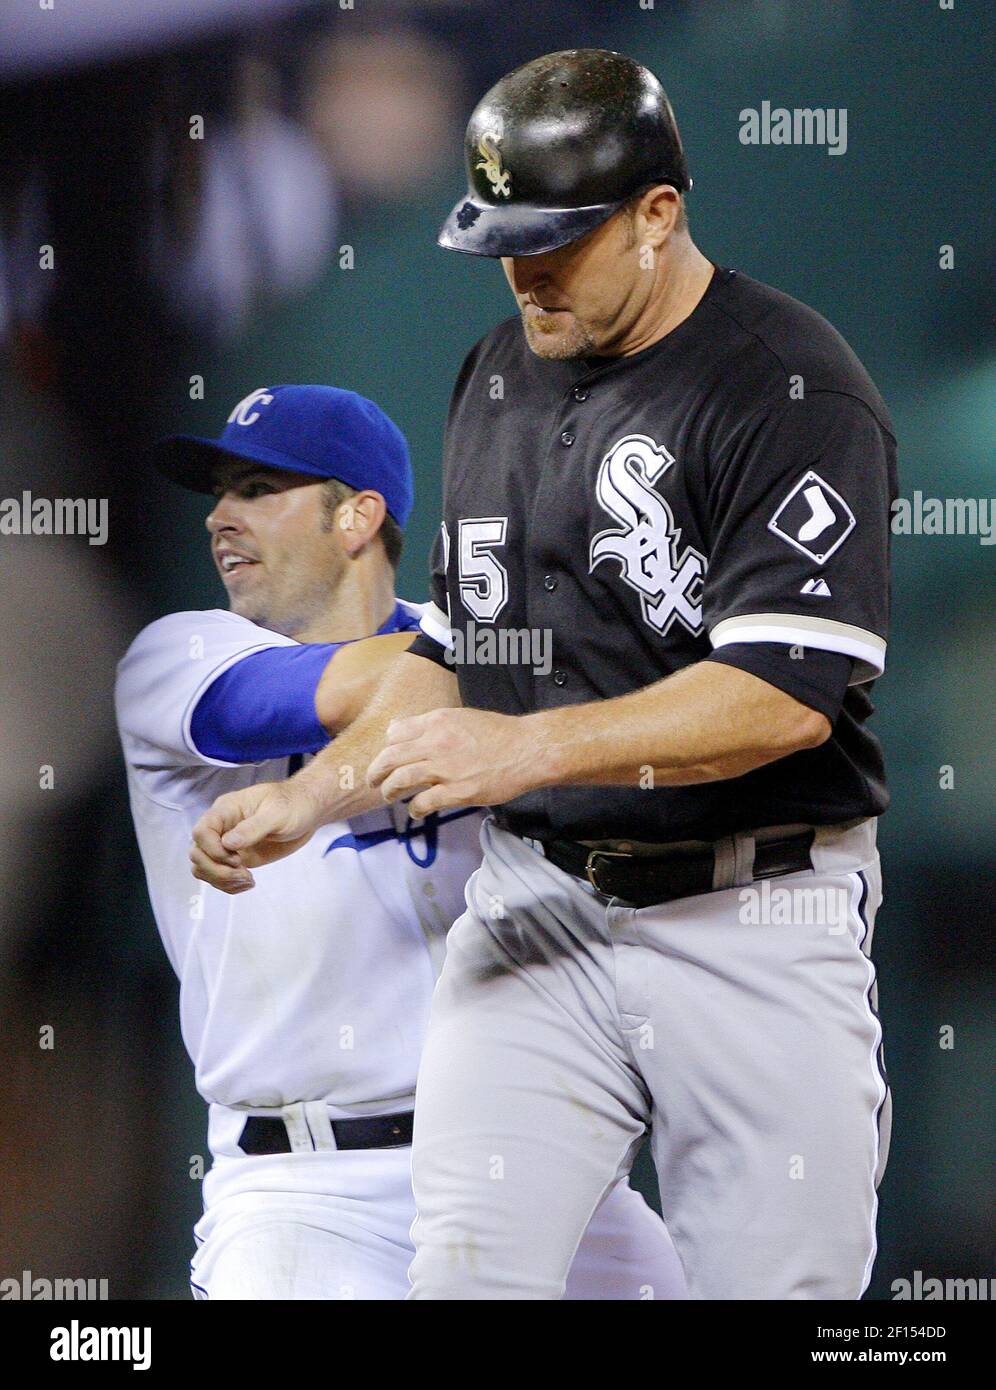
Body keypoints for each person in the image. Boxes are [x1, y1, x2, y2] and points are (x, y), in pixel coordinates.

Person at [191, 50, 896, 1301]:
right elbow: (460, 659)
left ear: (658, 217)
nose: (524, 271)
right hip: (539, 910)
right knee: (463, 1276)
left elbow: (786, 695)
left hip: (753, 914)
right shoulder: (497, 376)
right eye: (503, 239)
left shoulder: (791, 384)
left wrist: (526, 747)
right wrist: (318, 795)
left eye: (557, 240)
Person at [117, 382, 686, 1300]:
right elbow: (342, 690)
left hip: (529, 1162)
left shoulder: (487, 652)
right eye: (220, 493)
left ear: (358, 517)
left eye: (261, 488)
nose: (220, 516)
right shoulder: (177, 656)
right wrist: (545, 629)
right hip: (308, 1191)